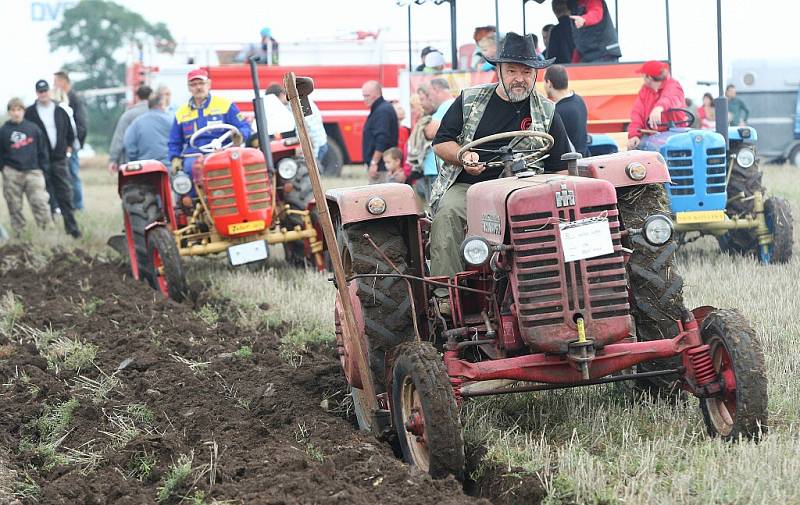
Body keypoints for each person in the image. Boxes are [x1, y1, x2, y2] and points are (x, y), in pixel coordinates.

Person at [430, 32, 571, 311]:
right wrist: (463, 155)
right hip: (472, 186)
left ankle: (557, 287)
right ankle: (446, 295)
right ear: (499, 71)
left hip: (525, 188)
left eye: (526, 71)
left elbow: (560, 167)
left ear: (536, 74)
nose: (520, 77)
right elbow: (441, 142)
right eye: (512, 70)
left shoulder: (548, 111)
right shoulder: (470, 100)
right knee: (448, 213)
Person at [168, 69, 251, 177]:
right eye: (194, 84)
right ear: (189, 88)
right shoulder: (181, 113)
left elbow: (244, 126)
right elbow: (174, 141)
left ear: (209, 84)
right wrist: (175, 158)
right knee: (185, 175)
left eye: (201, 83)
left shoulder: (225, 105)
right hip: (194, 155)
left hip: (223, 151)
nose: (198, 87)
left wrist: (240, 135)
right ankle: (194, 194)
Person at [24, 80, 80, 238]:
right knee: (44, 196)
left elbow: (70, 131)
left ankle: (72, 228)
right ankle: (49, 229)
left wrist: (68, 148)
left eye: (45, 91)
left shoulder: (60, 109)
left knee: (65, 193)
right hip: (40, 160)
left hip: (59, 158)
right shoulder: (30, 113)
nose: (43, 94)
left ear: (50, 91)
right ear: (37, 93)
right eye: (40, 92)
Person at [0, 97, 52, 234]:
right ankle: (20, 234)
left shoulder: (33, 128)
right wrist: (4, 170)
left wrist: (43, 169)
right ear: (9, 112)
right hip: (12, 172)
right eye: (13, 110)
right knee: (14, 206)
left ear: (23, 111)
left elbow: (42, 150)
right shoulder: (3, 131)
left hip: (33, 171)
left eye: (19, 109)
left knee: (40, 202)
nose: (16, 113)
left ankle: (46, 232)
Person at [627, 61, 685, 150]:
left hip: (676, 134)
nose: (642, 77)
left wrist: (659, 108)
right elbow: (637, 114)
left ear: (649, 77)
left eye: (643, 74)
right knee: (634, 148)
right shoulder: (644, 91)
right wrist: (634, 135)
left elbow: (671, 97)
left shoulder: (673, 85)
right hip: (653, 136)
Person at [266, 83, 329, 161]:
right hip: (312, 145)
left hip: (317, 145)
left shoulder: (300, 102)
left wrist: (312, 153)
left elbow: (310, 127)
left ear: (282, 95)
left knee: (313, 171)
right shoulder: (290, 104)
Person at [53, 71, 86, 211]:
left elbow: (81, 124)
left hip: (70, 145)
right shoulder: (60, 100)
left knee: (73, 175)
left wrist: (73, 144)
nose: (54, 85)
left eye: (55, 81)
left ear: (63, 81)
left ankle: (78, 206)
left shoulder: (75, 98)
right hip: (64, 145)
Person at [416, 78, 454, 202]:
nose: (429, 98)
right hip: (439, 168)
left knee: (436, 208)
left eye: (429, 94)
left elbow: (430, 132)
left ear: (436, 90)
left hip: (438, 170)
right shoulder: (451, 105)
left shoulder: (446, 106)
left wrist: (423, 125)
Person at [544, 64, 589, 156]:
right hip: (585, 156)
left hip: (570, 163)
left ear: (549, 83)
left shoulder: (557, 112)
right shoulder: (579, 100)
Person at [361, 80, 398, 184]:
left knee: (378, 199)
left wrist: (374, 163)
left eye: (367, 96)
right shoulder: (380, 109)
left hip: (381, 168)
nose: (364, 99)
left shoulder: (382, 111)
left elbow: (382, 139)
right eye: (363, 96)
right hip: (381, 165)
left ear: (376, 94)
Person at [108, 85, 153, 172]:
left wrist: (113, 160)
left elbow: (119, 138)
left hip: (132, 162)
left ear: (137, 97)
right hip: (155, 162)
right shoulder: (159, 114)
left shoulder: (128, 115)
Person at [123, 91, 172, 166]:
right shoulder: (171, 121)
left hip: (144, 167)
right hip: (167, 166)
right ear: (162, 104)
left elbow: (128, 143)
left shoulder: (137, 123)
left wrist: (135, 159)